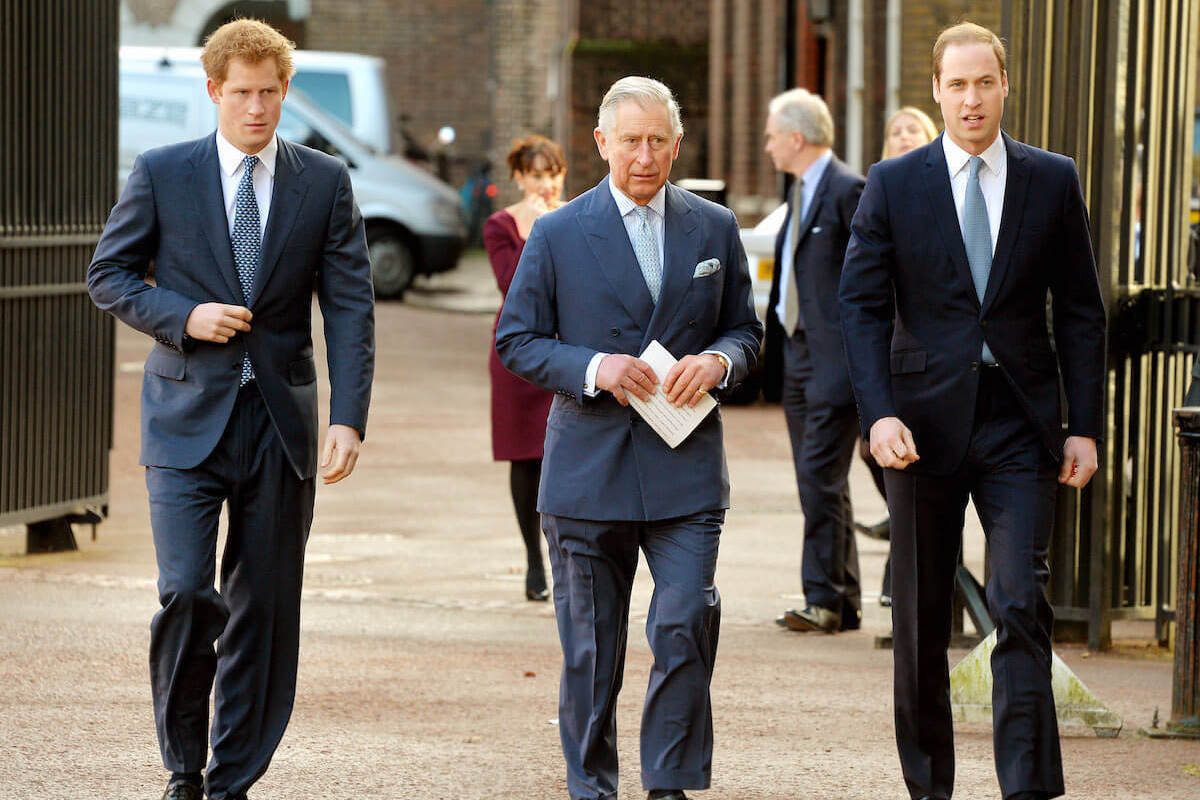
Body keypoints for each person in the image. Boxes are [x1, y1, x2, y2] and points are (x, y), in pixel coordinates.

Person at [87, 19, 374, 800]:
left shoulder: (324, 180)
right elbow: (108, 275)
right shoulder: (163, 172)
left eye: (270, 93)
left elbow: (349, 305)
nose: (256, 107)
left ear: (286, 93)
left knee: (266, 609)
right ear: (214, 90)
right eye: (241, 92)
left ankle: (232, 778)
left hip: (280, 425)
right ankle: (184, 763)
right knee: (186, 590)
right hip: (185, 419)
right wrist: (184, 317)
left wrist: (348, 416)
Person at [839, 22, 1105, 800]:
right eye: (957, 85)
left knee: (1019, 600)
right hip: (918, 427)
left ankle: (1026, 787)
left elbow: (1082, 311)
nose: (971, 98)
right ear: (937, 92)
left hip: (1022, 425)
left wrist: (1083, 423)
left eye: (983, 82)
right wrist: (878, 413)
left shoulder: (1051, 180)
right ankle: (930, 789)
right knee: (921, 619)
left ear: (1004, 86)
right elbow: (858, 306)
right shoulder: (894, 184)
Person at [496, 76, 762, 800]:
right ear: (601, 142)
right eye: (630, 140)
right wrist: (592, 366)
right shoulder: (555, 233)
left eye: (657, 142)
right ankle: (592, 785)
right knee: (591, 652)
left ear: (677, 145)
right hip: (588, 471)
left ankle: (669, 784)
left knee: (682, 624)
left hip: (686, 469)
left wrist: (721, 361)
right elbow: (515, 341)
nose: (644, 156)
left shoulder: (714, 227)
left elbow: (747, 329)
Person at [762, 88, 866, 634]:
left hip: (834, 362)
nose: (767, 146)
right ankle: (840, 599)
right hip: (797, 356)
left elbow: (872, 284)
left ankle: (824, 597)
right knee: (819, 480)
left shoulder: (850, 191)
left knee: (819, 476)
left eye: (773, 135)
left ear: (796, 138)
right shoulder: (801, 191)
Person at [859, 105, 940, 608]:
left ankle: (904, 578)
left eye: (913, 128)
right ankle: (903, 564)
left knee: (919, 469)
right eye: (895, 130)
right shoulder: (881, 189)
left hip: (931, 356)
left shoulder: (942, 186)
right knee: (880, 453)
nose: (903, 136)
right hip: (886, 348)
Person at [483, 134, 567, 601]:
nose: (545, 184)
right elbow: (509, 283)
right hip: (518, 354)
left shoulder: (577, 216)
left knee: (566, 454)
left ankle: (564, 556)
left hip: (568, 349)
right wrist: (535, 229)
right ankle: (534, 561)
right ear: (519, 177)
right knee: (525, 458)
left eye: (552, 173)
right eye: (535, 175)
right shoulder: (502, 224)